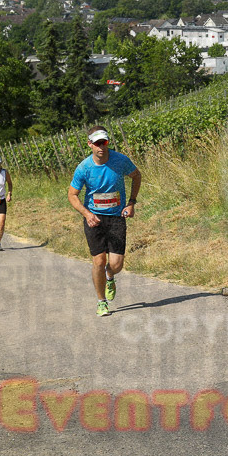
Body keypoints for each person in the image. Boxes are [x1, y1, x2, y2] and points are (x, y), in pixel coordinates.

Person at [67, 126, 141, 317]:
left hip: (116, 217)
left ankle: (110, 276)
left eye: (105, 142)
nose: (101, 147)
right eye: (97, 143)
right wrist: (86, 214)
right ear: (90, 144)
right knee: (99, 261)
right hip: (94, 219)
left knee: (116, 265)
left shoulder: (120, 161)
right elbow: (72, 195)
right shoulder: (84, 168)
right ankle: (101, 302)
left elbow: (136, 176)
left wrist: (131, 203)